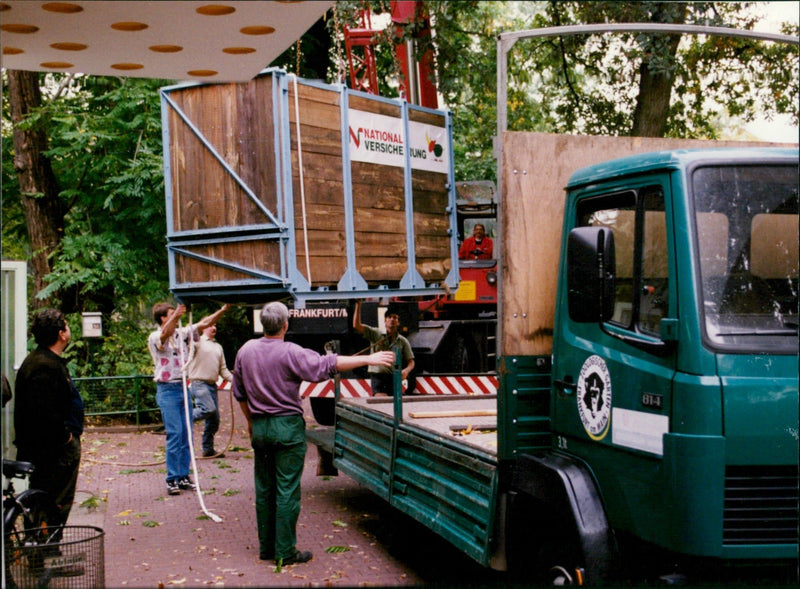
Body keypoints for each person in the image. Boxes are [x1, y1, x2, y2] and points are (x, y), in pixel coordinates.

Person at [232, 301, 394, 566]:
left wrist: (251, 422)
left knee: (264, 489)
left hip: (260, 428)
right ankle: (285, 551)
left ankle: (267, 548)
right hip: (286, 428)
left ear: (264, 324)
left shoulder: (245, 350)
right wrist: (368, 358)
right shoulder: (291, 352)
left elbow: (239, 393)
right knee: (286, 490)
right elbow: (326, 365)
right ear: (286, 325)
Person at [13, 308, 84, 539]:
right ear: (61, 333)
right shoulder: (44, 366)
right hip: (53, 452)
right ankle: (46, 552)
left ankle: (44, 550)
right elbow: (44, 413)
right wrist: (66, 438)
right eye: (65, 324)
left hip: (51, 448)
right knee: (53, 501)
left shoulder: (43, 361)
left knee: (48, 499)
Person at [148, 301, 229, 495]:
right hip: (167, 389)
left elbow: (204, 323)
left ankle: (183, 476)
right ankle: (172, 478)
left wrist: (223, 309)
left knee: (187, 434)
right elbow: (164, 335)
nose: (177, 317)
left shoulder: (182, 333)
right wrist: (176, 315)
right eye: (171, 314)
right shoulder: (155, 336)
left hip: (183, 387)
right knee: (175, 433)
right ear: (163, 318)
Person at [187, 323, 232, 458]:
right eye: (210, 325)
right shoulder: (197, 342)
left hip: (212, 385)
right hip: (199, 382)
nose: (214, 328)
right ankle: (184, 417)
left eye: (215, 325)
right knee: (208, 409)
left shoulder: (218, 347)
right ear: (204, 327)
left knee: (214, 420)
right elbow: (190, 346)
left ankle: (208, 449)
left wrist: (236, 381)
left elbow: (223, 370)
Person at [352, 300, 415, 396]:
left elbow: (411, 361)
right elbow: (356, 325)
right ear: (385, 321)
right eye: (389, 317)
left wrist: (406, 371)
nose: (392, 320)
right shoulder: (376, 334)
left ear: (398, 322)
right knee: (382, 402)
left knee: (396, 404)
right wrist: (358, 304)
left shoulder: (402, 341)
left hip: (394, 377)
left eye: (395, 317)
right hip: (378, 377)